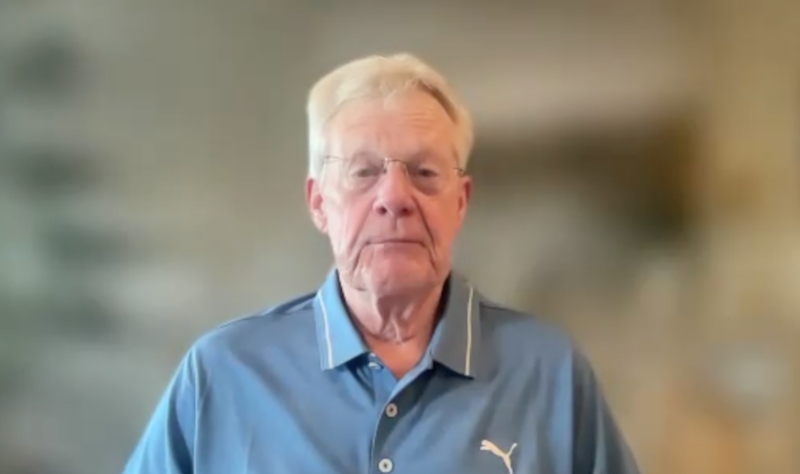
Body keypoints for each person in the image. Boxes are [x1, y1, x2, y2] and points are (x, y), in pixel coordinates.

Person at [122, 53, 641, 474]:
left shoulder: (549, 373)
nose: (395, 197)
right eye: (363, 171)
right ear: (319, 203)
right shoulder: (222, 376)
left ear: (460, 202)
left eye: (424, 172)